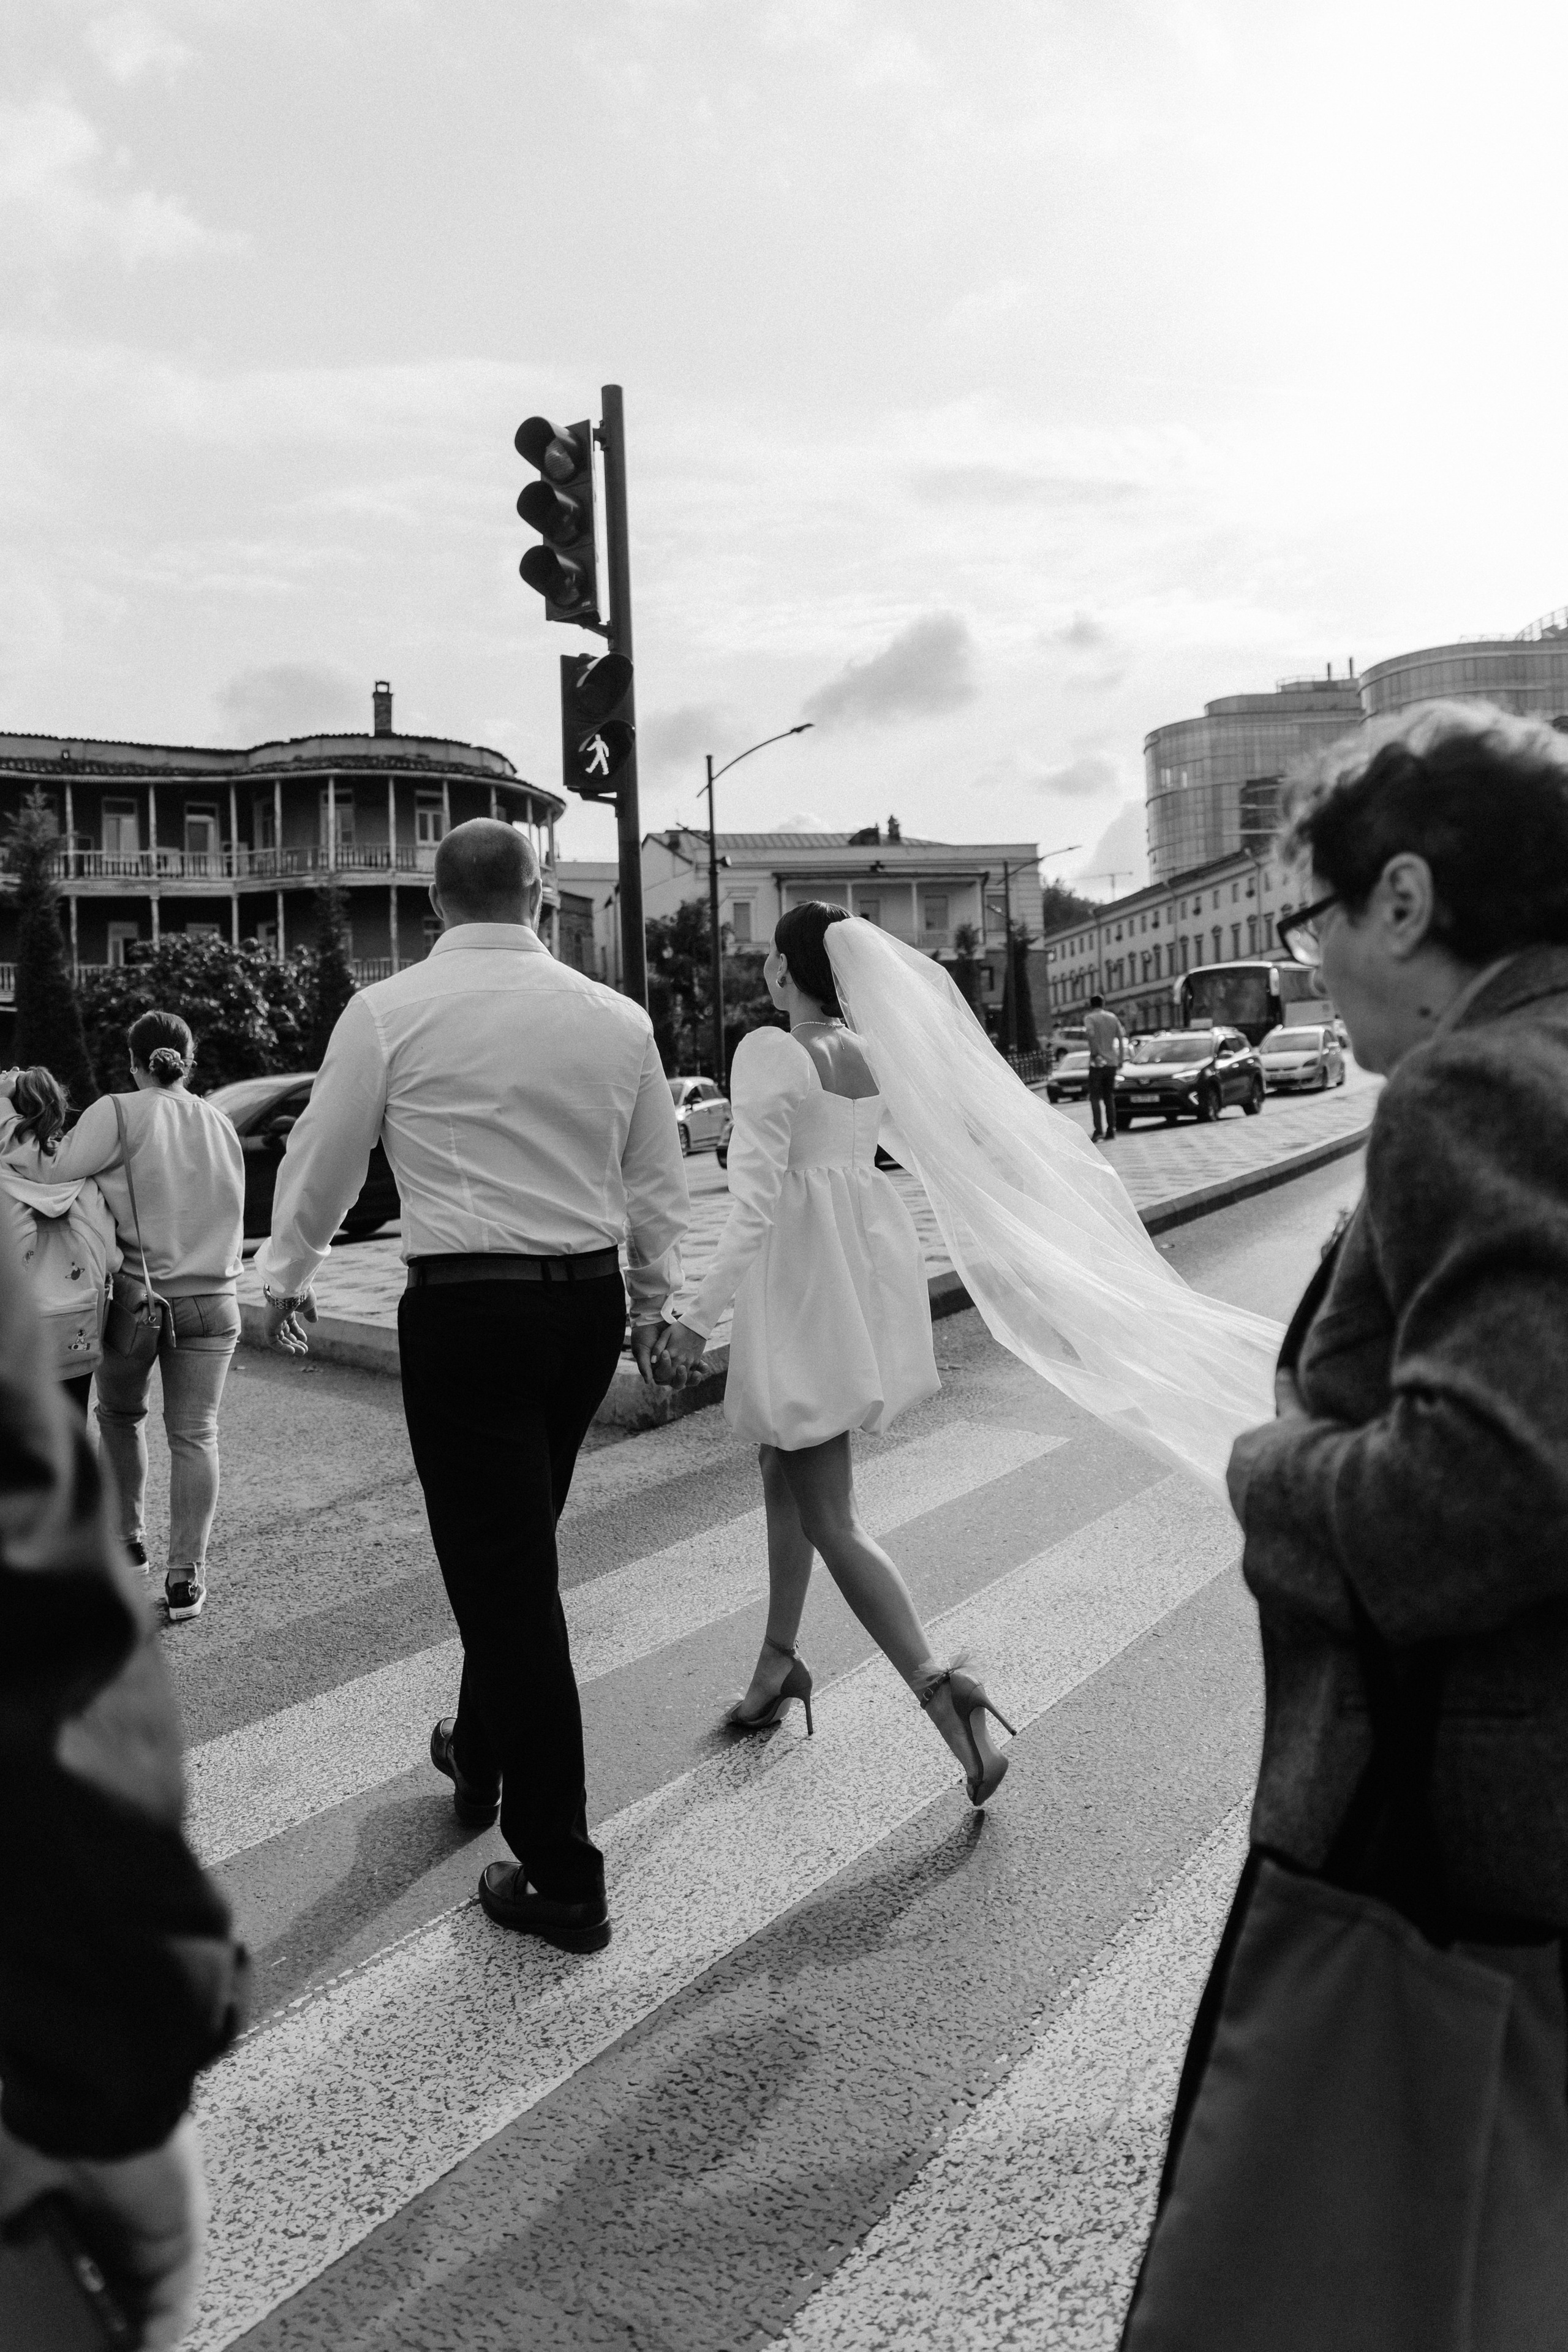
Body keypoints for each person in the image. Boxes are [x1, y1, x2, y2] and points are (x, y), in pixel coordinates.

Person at [1126, 703, 1568, 2343]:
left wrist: (1268, 1465)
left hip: (1452, 1868)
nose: (1305, 964)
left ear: (1402, 900)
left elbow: (1486, 1493)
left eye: (1310, 921)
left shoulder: (1477, 1093)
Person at [258, 820, 688, 1955]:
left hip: (468, 1309)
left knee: (506, 1575)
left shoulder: (390, 1011)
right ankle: (480, 1753)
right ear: (542, 897)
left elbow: (329, 1157)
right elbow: (657, 1180)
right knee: (518, 1548)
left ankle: (565, 1871)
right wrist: (652, 1306)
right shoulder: (619, 1019)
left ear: (435, 902)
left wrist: (287, 1272)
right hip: (583, 1308)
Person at [657, 903, 1019, 1804]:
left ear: (788, 971)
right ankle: (777, 1664)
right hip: (847, 1283)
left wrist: (695, 1317)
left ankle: (948, 1699)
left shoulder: (768, 1052)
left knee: (832, 1516)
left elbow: (750, 1206)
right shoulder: (868, 1055)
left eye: (771, 960)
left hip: (802, 1292)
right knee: (783, 1470)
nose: (765, 974)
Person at [0, 1219, 247, 2351]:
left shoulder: (101, 1133)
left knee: (128, 1426)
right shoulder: (196, 1122)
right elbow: (39, 1637)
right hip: (206, 1296)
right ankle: (183, 1566)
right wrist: (114, 2052)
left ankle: (162, 1553)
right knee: (182, 1430)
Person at [47, 1009, 246, 1621]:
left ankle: (126, 1542)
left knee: (121, 1417)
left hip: (140, 1297)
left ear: (133, 1061)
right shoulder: (219, 1120)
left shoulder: (116, 1110)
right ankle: (187, 1578)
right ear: (189, 1057)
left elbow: (56, 1178)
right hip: (217, 1299)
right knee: (197, 1435)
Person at [0, 1065, 118, 1416]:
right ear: (57, 1110)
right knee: (68, 1449)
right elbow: (110, 1260)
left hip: (12, 1344)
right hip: (74, 1340)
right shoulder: (84, 1180)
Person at [1084, 990, 1125, 1140]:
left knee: (1095, 1097)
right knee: (1109, 1096)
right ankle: (1111, 1129)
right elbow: (1121, 1039)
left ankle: (1098, 1130)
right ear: (1103, 1004)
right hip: (1112, 1061)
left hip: (1098, 1062)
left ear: (1091, 1005)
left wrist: (1095, 1054)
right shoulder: (1113, 1018)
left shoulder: (1090, 1018)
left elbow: (1091, 1035)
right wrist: (1121, 1058)